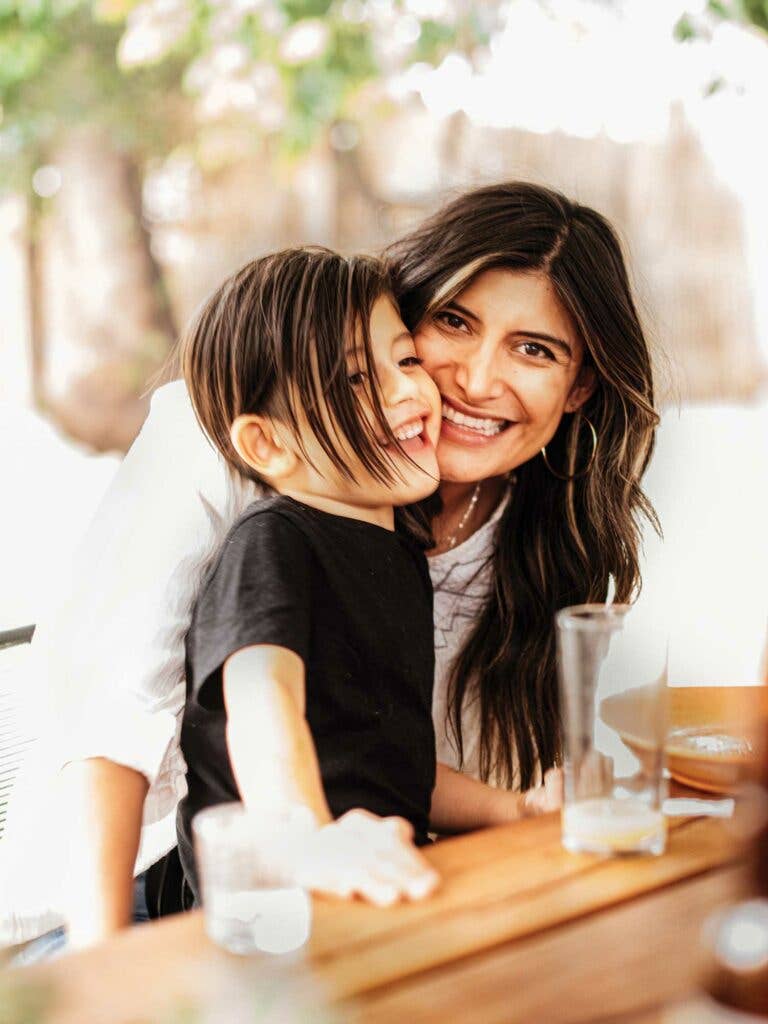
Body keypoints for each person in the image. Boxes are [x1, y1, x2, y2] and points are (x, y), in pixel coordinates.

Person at [0, 181, 658, 948]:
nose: (475, 382)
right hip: (148, 908)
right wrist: (103, 963)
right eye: (452, 323)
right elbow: (139, 720)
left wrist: (515, 808)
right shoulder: (255, 472)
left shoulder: (510, 538)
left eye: (534, 349)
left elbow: (391, 753)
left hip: (356, 893)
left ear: (578, 386)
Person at [172, 246, 559, 909]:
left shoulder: (397, 555)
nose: (411, 390)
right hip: (264, 895)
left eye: (406, 360)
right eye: (356, 380)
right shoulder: (274, 541)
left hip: (364, 872)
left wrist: (513, 809)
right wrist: (304, 838)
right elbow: (261, 705)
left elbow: (394, 765)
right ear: (267, 445)